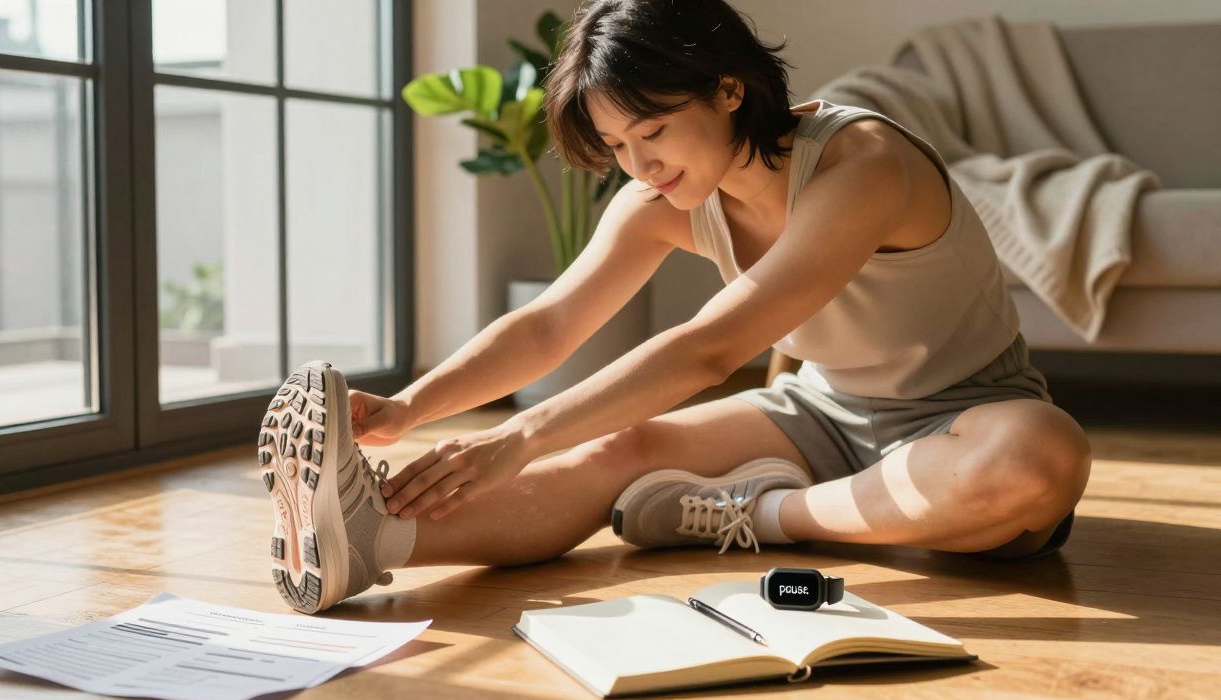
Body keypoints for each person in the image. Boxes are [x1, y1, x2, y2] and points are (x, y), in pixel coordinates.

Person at [257, 0, 1092, 615]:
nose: (638, 166)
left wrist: (517, 436)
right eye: (616, 147)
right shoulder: (661, 201)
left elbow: (708, 349)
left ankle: (757, 515)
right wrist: (411, 407)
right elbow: (551, 324)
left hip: (968, 414)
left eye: (650, 132)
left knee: (1037, 458)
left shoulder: (862, 164)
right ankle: (369, 541)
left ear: (729, 88)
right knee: (628, 448)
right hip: (822, 411)